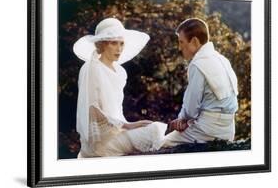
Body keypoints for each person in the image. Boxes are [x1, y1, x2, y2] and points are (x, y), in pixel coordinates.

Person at [74, 18, 167, 157]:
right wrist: (127, 126)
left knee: (155, 127)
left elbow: (116, 111)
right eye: (113, 43)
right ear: (102, 44)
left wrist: (129, 124)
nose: (119, 49)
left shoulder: (120, 71)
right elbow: (92, 109)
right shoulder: (91, 67)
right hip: (102, 141)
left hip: (118, 131)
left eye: (121, 43)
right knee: (156, 130)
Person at [162, 18, 238, 147]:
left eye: (181, 42)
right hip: (228, 130)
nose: (180, 47)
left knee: (162, 143)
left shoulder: (198, 63)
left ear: (195, 41)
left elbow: (191, 106)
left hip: (207, 130)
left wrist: (181, 120)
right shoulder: (222, 59)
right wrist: (187, 120)